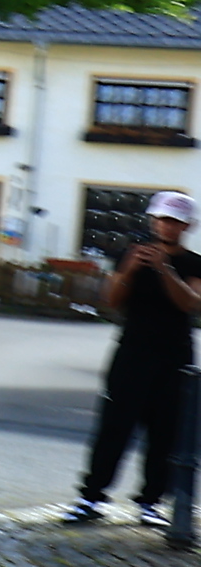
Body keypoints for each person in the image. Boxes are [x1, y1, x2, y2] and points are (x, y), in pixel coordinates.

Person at [70, 189, 201, 534]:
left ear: (187, 225)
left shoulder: (194, 263)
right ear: (153, 220)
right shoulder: (130, 255)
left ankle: (150, 501)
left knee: (165, 432)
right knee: (114, 426)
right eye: (162, 219)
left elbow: (191, 303)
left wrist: (164, 270)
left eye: (174, 221)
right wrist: (130, 268)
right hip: (132, 351)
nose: (167, 226)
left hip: (174, 355)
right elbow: (112, 299)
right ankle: (91, 497)